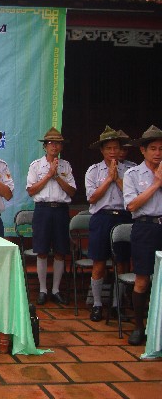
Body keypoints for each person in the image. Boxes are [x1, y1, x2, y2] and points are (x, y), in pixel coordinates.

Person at [84, 126, 132, 322]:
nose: (113, 152)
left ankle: (116, 305)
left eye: (116, 148)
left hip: (123, 217)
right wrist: (107, 180)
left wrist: (117, 179)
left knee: (122, 262)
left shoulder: (130, 170)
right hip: (102, 217)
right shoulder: (94, 171)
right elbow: (92, 197)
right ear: (102, 150)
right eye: (109, 148)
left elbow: (133, 196)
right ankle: (97, 304)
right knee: (99, 262)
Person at [26, 127, 76, 306]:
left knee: (61, 251)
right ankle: (42, 290)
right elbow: (31, 190)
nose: (54, 146)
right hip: (43, 210)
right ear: (44, 146)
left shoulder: (66, 166)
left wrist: (58, 177)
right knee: (41, 251)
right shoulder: (36, 165)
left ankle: (55, 290)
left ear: (61, 147)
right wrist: (48, 175)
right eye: (50, 143)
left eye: (58, 143)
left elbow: (72, 191)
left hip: (61, 210)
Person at [123, 125, 162, 345]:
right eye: (153, 148)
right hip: (145, 228)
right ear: (143, 151)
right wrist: (156, 184)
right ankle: (139, 326)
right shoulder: (133, 174)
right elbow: (132, 205)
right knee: (142, 278)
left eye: (161, 149)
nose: (158, 153)